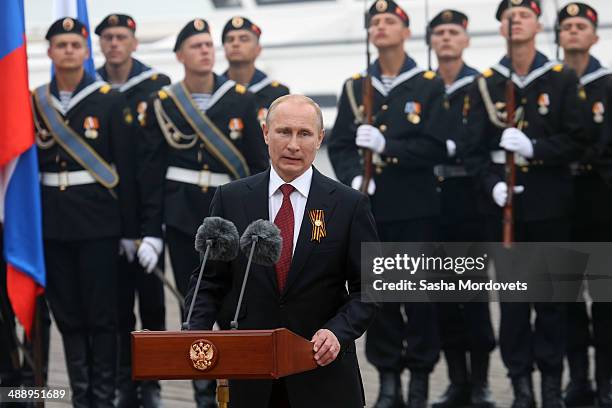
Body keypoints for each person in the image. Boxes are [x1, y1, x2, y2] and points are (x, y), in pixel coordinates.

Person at [184, 94, 379, 408]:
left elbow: (368, 289)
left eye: (304, 134)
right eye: (283, 132)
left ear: (320, 139)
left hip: (321, 371)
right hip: (251, 375)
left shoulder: (348, 204)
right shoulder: (231, 198)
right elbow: (209, 282)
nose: (293, 144)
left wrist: (338, 332)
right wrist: (196, 332)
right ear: (265, 133)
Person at [138, 18, 269, 407]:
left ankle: (241, 385)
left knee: (236, 301)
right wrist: (151, 230)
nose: (206, 51)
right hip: (182, 217)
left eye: (209, 45)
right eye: (196, 46)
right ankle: (201, 390)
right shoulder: (165, 103)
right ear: (180, 55)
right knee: (193, 303)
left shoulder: (242, 99)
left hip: (232, 215)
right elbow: (150, 171)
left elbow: (258, 164)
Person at [464, 1, 586, 407]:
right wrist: (492, 185)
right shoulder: (487, 83)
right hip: (504, 213)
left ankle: (552, 384)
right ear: (501, 28)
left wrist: (536, 148)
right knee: (514, 305)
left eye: (524, 14)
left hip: (550, 206)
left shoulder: (561, 78)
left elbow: (578, 139)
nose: (515, 20)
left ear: (537, 24)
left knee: (552, 301)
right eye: (506, 16)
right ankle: (520, 386)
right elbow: (474, 150)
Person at [328, 1, 448, 407]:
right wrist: (353, 176)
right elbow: (341, 142)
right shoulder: (354, 86)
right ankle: (389, 380)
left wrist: (387, 147)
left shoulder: (428, 84)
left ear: (406, 30)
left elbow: (435, 146)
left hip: (415, 207)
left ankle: (418, 380)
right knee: (376, 296)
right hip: (371, 210)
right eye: (374, 21)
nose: (380, 26)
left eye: (389, 21)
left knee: (418, 297)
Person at [33, 17, 138, 407]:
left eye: (75, 45)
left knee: (101, 315)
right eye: (61, 45)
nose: (68, 52)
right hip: (52, 223)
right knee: (68, 316)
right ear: (50, 52)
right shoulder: (35, 100)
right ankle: (80, 395)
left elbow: (126, 169)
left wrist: (130, 230)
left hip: (98, 223)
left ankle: (103, 394)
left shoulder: (110, 100)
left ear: (85, 52)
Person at [94, 13, 171, 408]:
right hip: (107, 215)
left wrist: (152, 230)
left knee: (153, 307)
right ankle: (126, 382)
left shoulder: (156, 88)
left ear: (134, 42)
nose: (114, 44)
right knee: (119, 308)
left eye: (121, 36)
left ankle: (152, 383)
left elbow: (159, 161)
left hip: (149, 207)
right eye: (107, 37)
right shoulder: (93, 86)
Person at [427, 9, 495, 408]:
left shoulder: (481, 86)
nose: (446, 39)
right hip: (432, 198)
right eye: (440, 33)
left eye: (454, 32)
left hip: (469, 197)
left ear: (466, 39)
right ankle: (456, 381)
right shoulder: (424, 87)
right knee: (440, 296)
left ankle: (482, 382)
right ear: (431, 41)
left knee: (471, 292)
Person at [556, 3, 612, 407]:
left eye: (581, 26)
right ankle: (578, 380)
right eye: (567, 26)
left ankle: (606, 381)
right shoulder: (551, 83)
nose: (573, 32)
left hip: (601, 201)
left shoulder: (607, 85)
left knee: (606, 300)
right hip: (559, 202)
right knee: (566, 298)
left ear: (594, 36)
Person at [222, 16, 289, 124]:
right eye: (230, 39)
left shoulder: (278, 94)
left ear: (258, 49)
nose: (235, 44)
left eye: (244, 39)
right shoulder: (216, 90)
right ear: (224, 48)